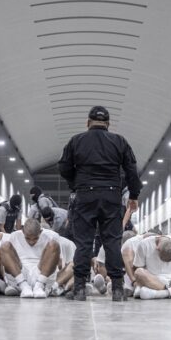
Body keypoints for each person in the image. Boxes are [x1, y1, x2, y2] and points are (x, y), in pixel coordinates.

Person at [58, 105, 142, 301]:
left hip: (85, 195)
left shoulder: (76, 140)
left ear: (88, 122)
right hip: (111, 196)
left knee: (84, 243)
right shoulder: (119, 141)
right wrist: (133, 195)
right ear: (108, 124)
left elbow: (64, 167)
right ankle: (118, 289)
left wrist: (75, 184)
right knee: (112, 241)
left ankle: (79, 288)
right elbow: (132, 170)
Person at [0, 219, 61, 298]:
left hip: (42, 272)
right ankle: (23, 286)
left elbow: (58, 263)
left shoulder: (50, 236)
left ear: (40, 232)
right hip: (19, 272)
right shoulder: (14, 235)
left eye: (35, 238)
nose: (31, 242)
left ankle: (39, 286)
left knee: (54, 245)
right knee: (5, 246)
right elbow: (6, 260)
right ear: (22, 231)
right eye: (27, 238)